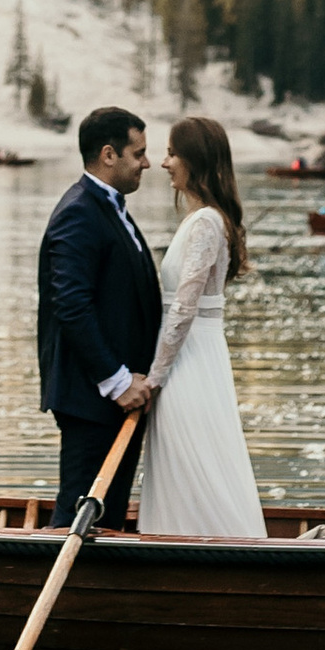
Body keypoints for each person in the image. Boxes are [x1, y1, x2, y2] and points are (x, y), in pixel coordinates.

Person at [135, 116, 265, 542]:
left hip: (190, 358)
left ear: (194, 159)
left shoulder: (207, 221)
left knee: (191, 453)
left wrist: (155, 377)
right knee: (187, 454)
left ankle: (199, 541)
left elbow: (184, 308)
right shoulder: (202, 218)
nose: (164, 163)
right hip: (192, 352)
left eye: (172, 153)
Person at [36, 107, 164, 529]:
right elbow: (70, 305)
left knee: (104, 510)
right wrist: (117, 380)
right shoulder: (79, 211)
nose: (146, 162)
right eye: (138, 153)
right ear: (109, 155)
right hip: (92, 395)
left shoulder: (110, 207)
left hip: (120, 393)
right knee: (79, 508)